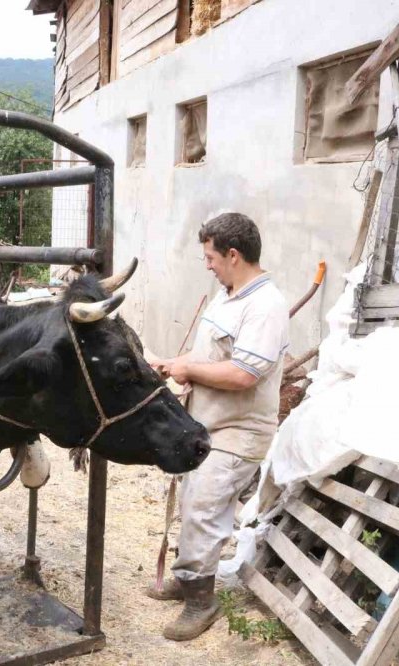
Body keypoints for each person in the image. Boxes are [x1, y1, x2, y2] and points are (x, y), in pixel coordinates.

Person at [149, 212, 289, 641]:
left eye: (210, 257)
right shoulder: (228, 296)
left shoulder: (266, 305)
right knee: (195, 503)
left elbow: (244, 375)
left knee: (205, 509)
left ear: (233, 254)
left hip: (239, 430)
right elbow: (217, 360)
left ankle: (201, 601)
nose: (206, 265)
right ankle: (190, 577)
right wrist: (184, 369)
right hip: (209, 424)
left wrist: (185, 367)